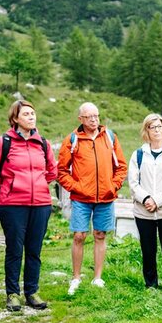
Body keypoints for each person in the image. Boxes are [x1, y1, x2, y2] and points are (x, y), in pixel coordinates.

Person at [0, 100, 57, 312]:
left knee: (34, 250)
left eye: (33, 113)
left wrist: (39, 186)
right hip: (13, 205)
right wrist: (6, 188)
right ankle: (12, 294)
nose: (31, 117)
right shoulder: (2, 142)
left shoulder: (42, 143)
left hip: (40, 205)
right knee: (14, 249)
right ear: (15, 119)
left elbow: (52, 171)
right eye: (26, 114)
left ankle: (32, 292)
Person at [57, 102, 127, 295]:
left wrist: (113, 186)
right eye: (89, 117)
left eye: (96, 116)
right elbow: (62, 171)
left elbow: (121, 166)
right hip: (81, 198)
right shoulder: (72, 140)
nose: (94, 120)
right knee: (79, 236)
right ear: (81, 119)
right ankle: (76, 278)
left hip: (105, 197)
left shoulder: (110, 137)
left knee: (100, 235)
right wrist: (76, 187)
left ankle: (97, 278)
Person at [128, 113, 162, 291]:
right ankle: (151, 285)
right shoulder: (138, 155)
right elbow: (133, 183)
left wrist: (157, 201)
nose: (157, 130)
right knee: (148, 251)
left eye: (160, 126)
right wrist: (146, 199)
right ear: (147, 131)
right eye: (153, 127)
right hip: (143, 212)